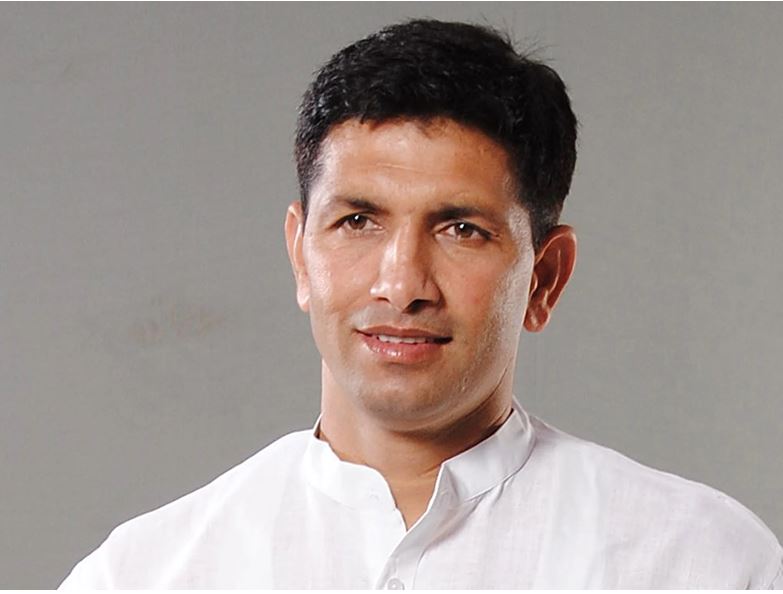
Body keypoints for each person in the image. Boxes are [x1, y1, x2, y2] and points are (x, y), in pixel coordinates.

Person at [60, 19, 782, 589]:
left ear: (544, 278)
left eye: (461, 229)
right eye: (357, 221)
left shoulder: (698, 561)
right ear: (300, 254)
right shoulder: (146, 573)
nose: (402, 284)